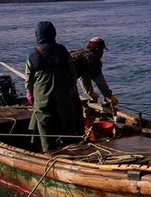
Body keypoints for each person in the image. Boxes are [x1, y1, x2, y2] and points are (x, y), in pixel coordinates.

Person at [24, 21, 77, 152]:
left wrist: (29, 92)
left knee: (45, 123)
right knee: (67, 122)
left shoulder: (33, 54)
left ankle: (49, 153)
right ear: (54, 33)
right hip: (63, 92)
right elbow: (72, 70)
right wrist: (72, 85)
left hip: (42, 94)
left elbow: (29, 76)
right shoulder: (63, 50)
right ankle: (72, 151)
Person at [70, 37, 118, 132]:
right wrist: (109, 95)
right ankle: (76, 135)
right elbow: (100, 82)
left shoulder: (80, 54)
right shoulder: (93, 59)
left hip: (52, 80)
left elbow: (83, 76)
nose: (103, 53)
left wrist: (90, 92)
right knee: (75, 109)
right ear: (98, 49)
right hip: (63, 84)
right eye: (102, 50)